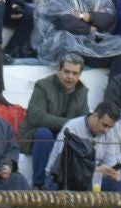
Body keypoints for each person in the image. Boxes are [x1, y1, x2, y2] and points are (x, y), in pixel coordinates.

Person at [22, 54, 88, 189]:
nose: (70, 77)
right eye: (67, 72)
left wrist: (72, 126)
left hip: (64, 135)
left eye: (75, 73)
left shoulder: (82, 91)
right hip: (35, 133)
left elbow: (83, 121)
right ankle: (39, 185)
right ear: (58, 70)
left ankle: (70, 186)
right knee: (44, 133)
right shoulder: (42, 85)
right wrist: (70, 123)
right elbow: (36, 117)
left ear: (80, 75)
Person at [44, 100, 121, 191]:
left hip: (92, 178)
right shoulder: (72, 128)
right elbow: (66, 166)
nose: (106, 131)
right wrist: (95, 171)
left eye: (110, 127)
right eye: (104, 125)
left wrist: (113, 172)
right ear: (95, 116)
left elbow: (110, 161)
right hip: (62, 179)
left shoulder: (108, 132)